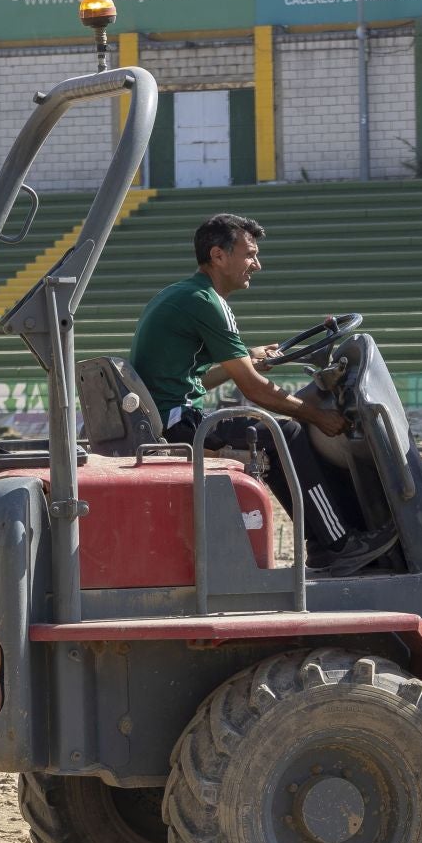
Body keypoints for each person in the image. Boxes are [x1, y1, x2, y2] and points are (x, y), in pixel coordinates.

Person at [129, 213, 395, 575]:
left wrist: (251, 359)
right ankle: (338, 544)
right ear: (218, 256)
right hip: (175, 425)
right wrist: (316, 414)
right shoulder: (206, 302)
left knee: (278, 433)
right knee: (286, 432)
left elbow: (194, 382)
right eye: (250, 254)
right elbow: (253, 390)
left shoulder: (184, 294)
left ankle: (324, 542)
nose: (257, 264)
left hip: (166, 415)